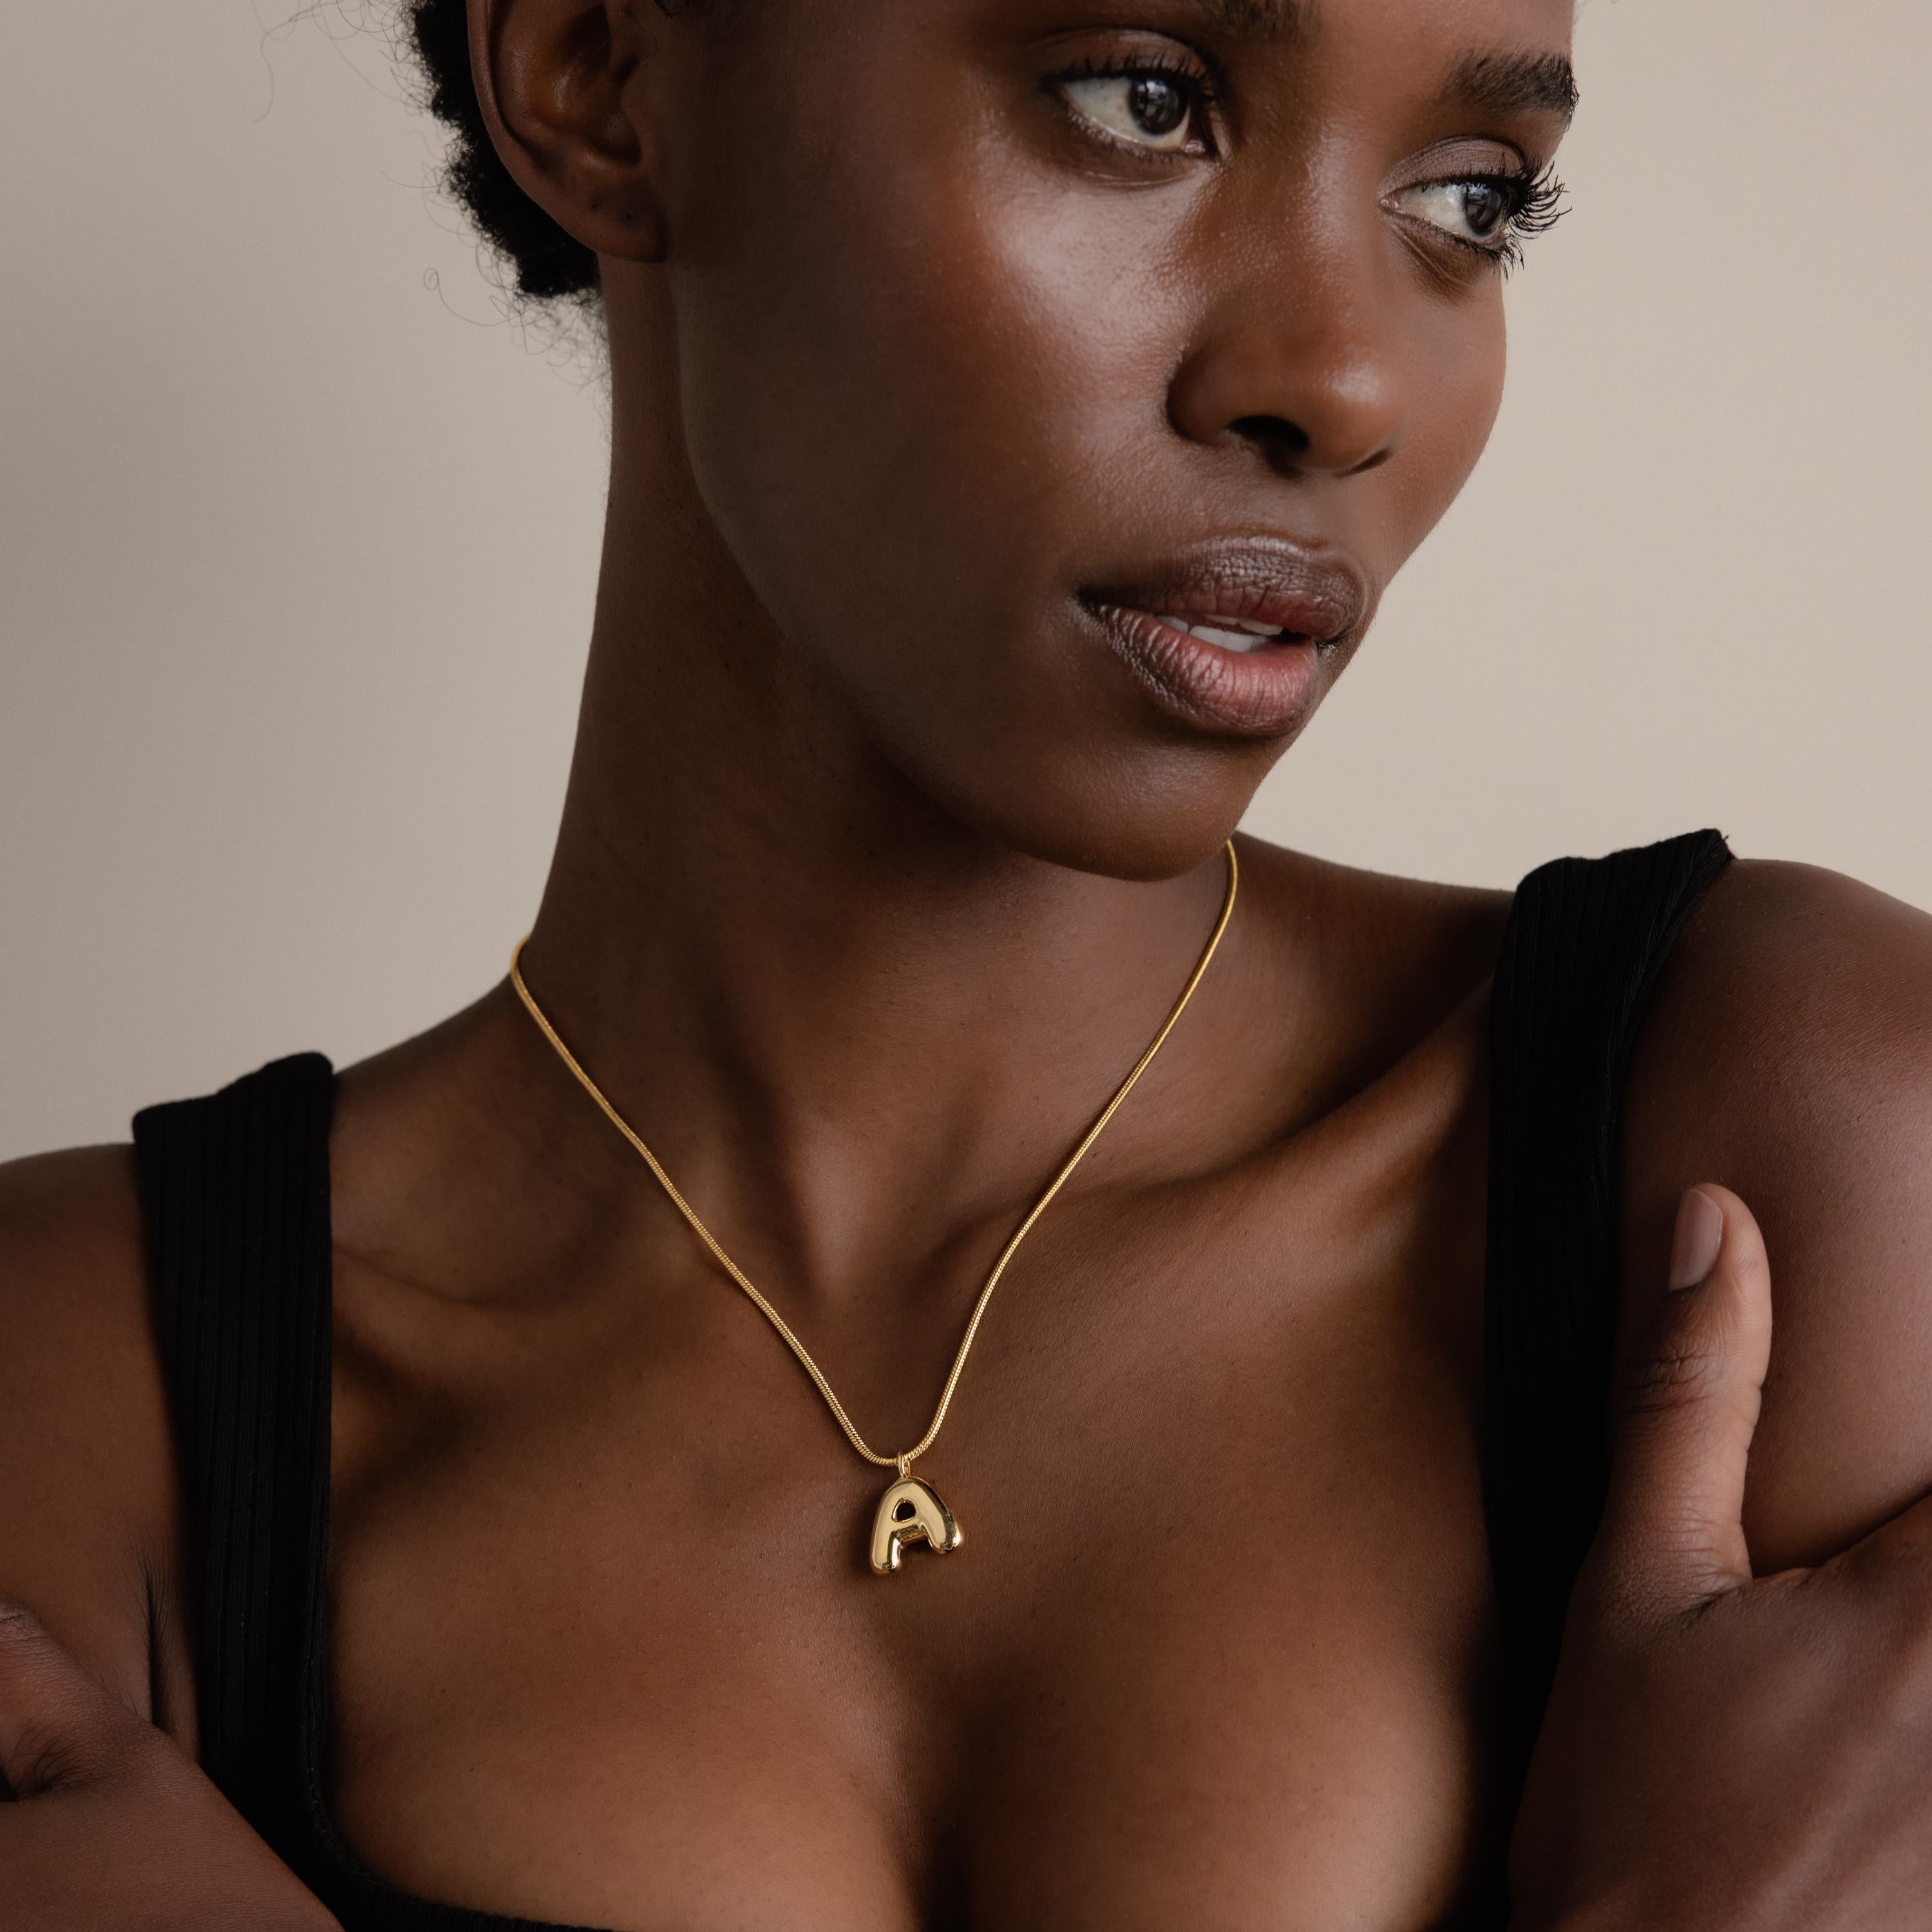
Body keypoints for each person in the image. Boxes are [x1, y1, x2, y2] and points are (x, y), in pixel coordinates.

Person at [4, 0, 1932, 1925]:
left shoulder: (1784, 1148)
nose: (1345, 376)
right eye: (1145, 101)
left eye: (1467, 199)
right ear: (602, 77)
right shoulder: (80, 1407)